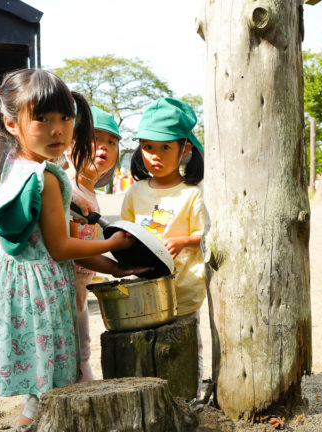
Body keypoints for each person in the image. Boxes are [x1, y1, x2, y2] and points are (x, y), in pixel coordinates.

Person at [0, 69, 136, 427]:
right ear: (11, 123)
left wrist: (113, 268)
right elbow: (59, 247)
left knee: (39, 378)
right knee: (51, 382)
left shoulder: (14, 166)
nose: (57, 129)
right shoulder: (45, 177)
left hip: (14, 284)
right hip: (41, 289)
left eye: (65, 118)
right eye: (42, 119)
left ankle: (29, 420)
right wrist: (112, 244)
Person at [119, 97, 206, 390]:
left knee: (184, 345)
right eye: (148, 147)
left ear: (185, 149)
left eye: (165, 147)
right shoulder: (134, 192)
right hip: (145, 289)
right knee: (147, 346)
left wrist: (184, 241)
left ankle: (189, 394)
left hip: (183, 288)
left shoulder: (192, 194)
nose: (155, 156)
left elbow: (206, 234)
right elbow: (124, 234)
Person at [65, 106, 124, 382]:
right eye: (94, 139)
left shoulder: (89, 191)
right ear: (69, 146)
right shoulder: (68, 189)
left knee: (82, 349)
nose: (104, 147)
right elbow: (69, 247)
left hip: (79, 290)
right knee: (71, 352)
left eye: (112, 141)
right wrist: (114, 252)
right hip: (61, 291)